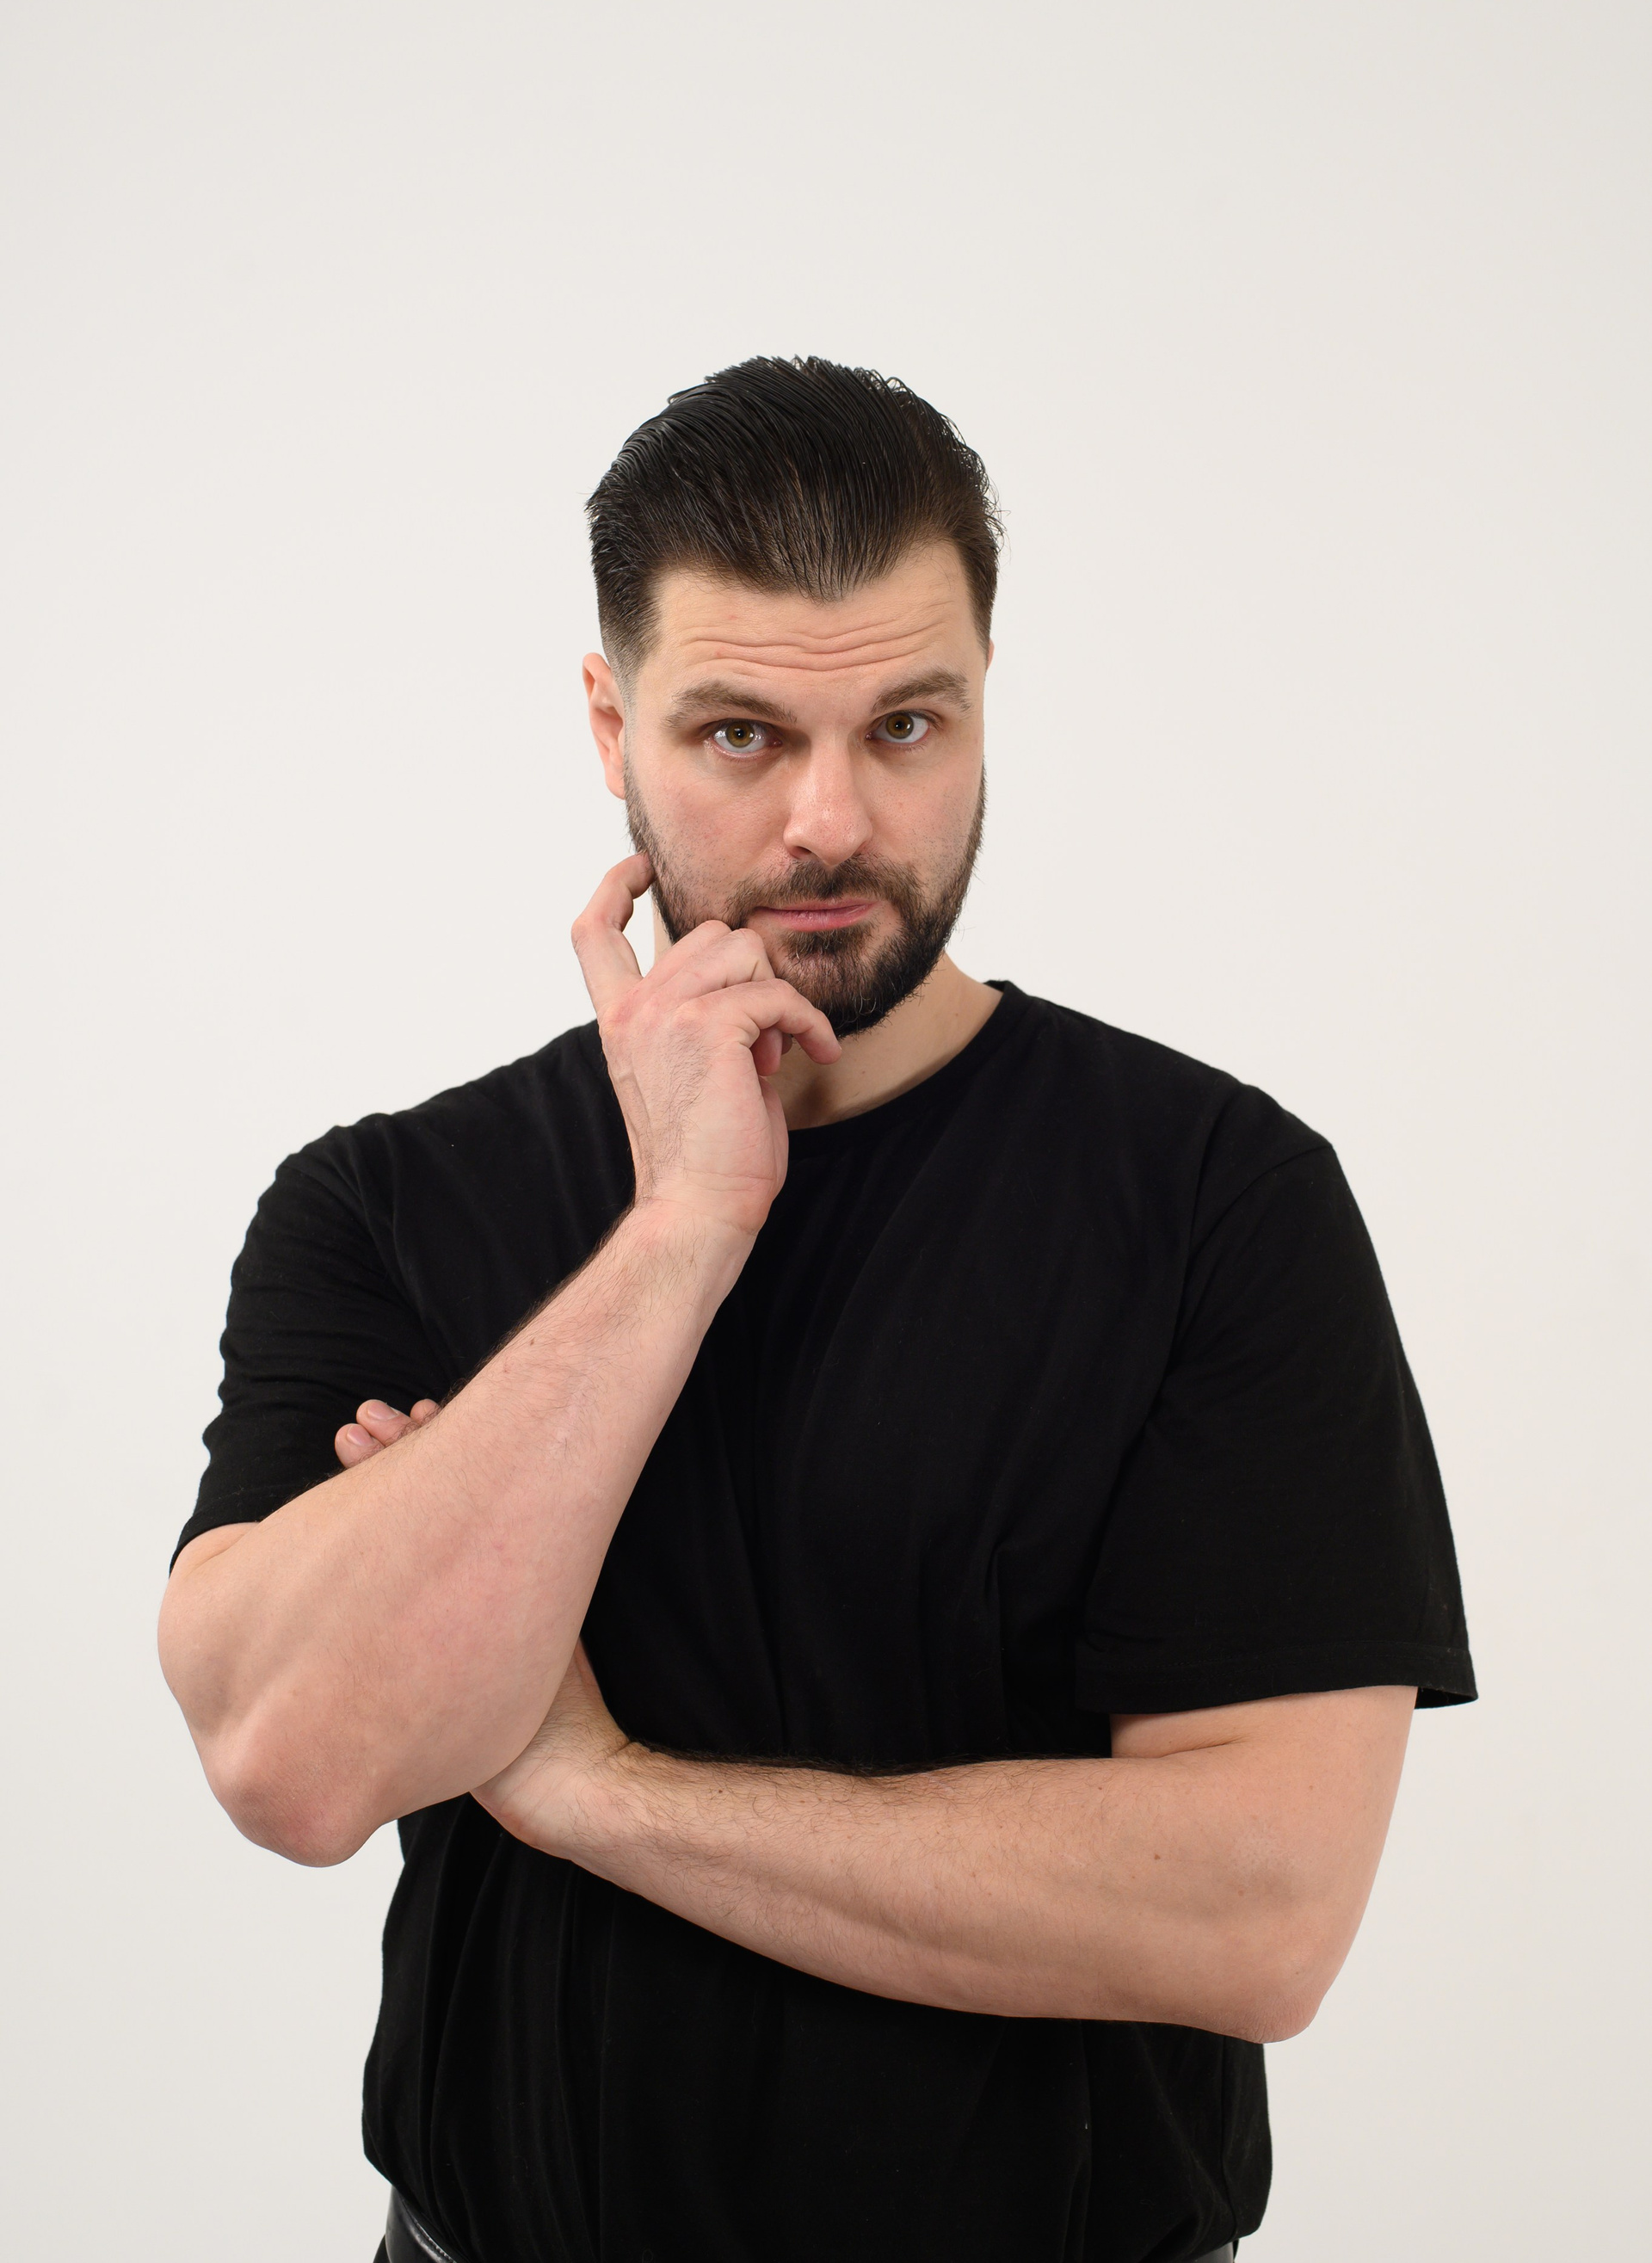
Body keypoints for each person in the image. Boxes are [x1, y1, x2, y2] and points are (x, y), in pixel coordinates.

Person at [159, 355, 1474, 2263]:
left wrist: (594, 1789)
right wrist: (688, 1223)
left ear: (987, 696)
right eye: (741, 735)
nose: (833, 822)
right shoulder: (386, 1203)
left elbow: (1257, 1917)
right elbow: (289, 1758)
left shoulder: (1220, 1202)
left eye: (908, 724)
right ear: (610, 723)